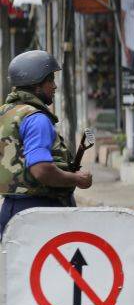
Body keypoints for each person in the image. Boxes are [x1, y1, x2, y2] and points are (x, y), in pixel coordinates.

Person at [0, 50, 93, 236]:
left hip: (11, 209)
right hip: (40, 211)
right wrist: (77, 179)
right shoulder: (37, 119)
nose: (55, 86)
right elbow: (41, 169)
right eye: (50, 80)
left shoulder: (6, 113)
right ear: (36, 86)